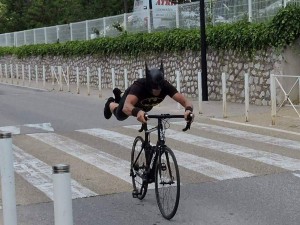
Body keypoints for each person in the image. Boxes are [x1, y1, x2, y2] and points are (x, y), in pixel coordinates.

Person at [104, 61, 194, 124]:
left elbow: (185, 101)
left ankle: (119, 95)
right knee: (121, 116)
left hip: (146, 106)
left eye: (159, 89)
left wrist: (188, 110)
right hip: (132, 102)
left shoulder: (166, 86)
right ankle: (110, 103)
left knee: (146, 109)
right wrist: (137, 112)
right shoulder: (139, 86)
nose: (157, 92)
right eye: (154, 89)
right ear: (149, 85)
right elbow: (126, 107)